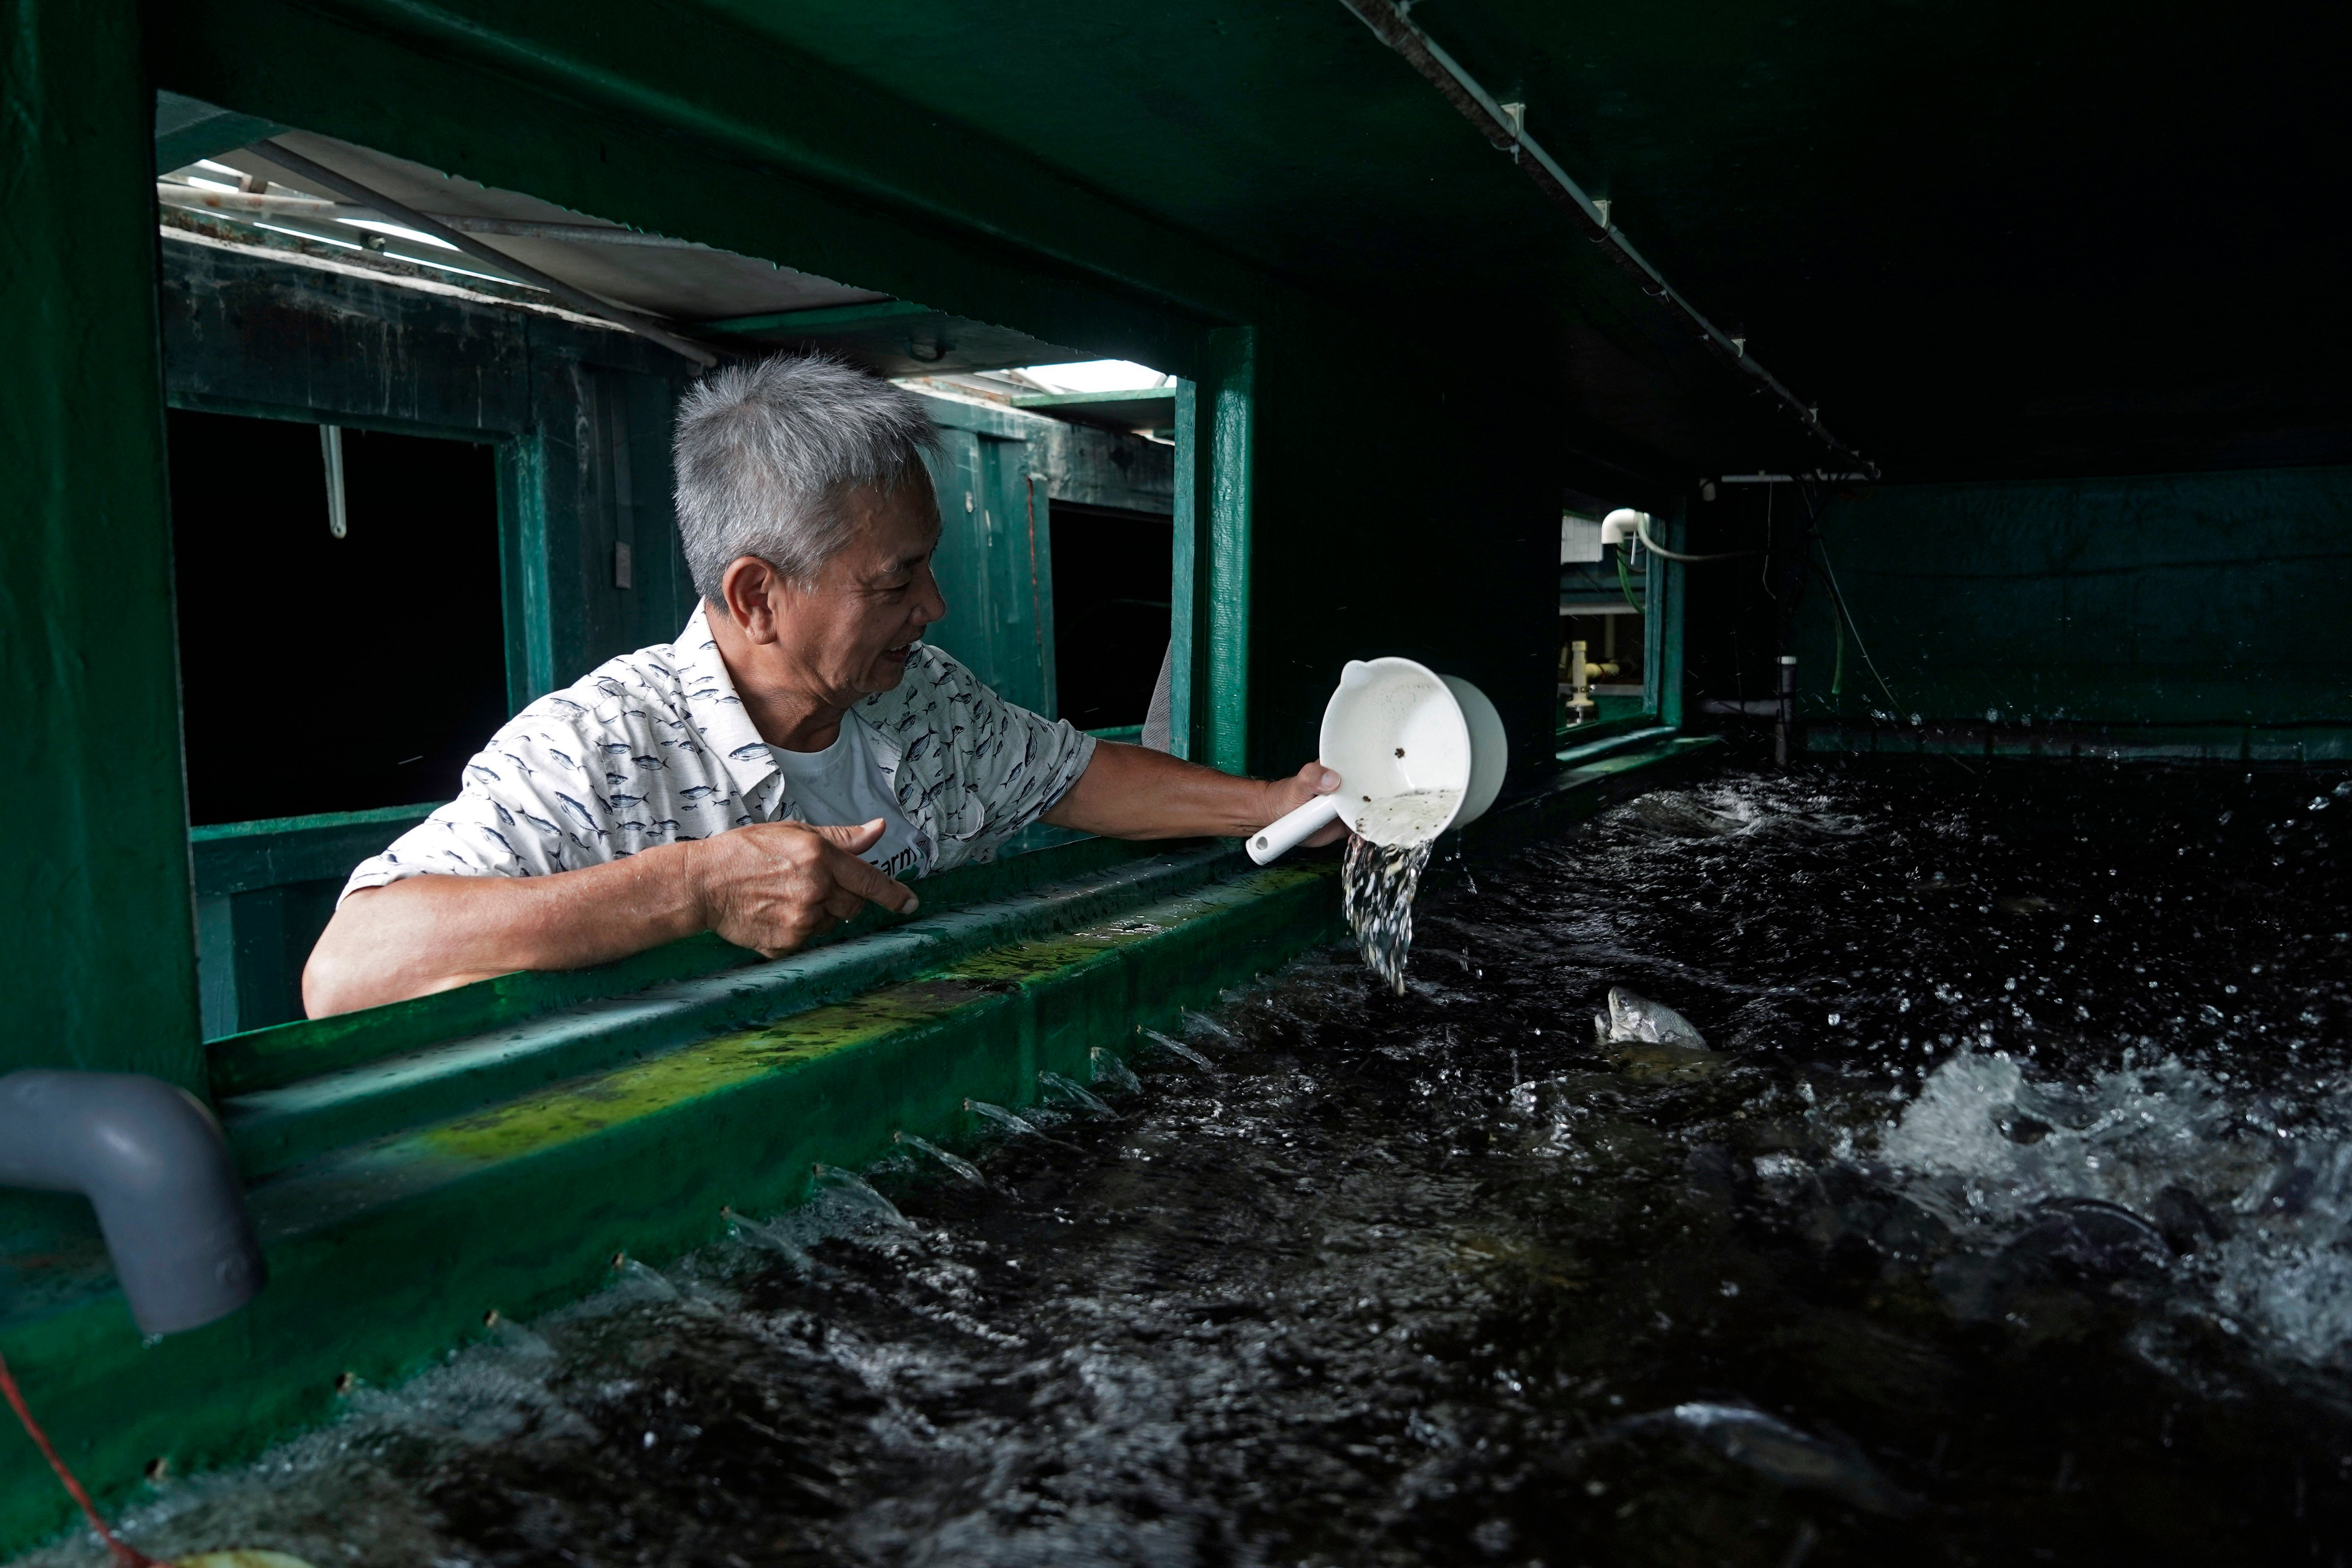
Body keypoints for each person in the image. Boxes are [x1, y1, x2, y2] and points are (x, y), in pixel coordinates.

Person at [302, 354, 1343, 1016]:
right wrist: (694, 886)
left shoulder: (913, 694)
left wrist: (1277, 805)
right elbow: (350, 967)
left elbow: (1069, 776)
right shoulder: (601, 746)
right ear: (757, 594)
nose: (932, 607)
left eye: (927, 566)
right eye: (896, 579)